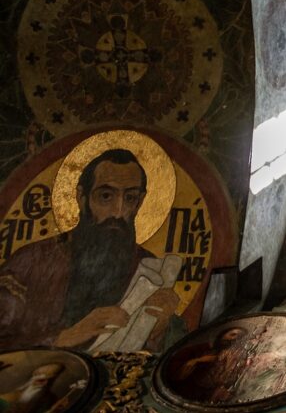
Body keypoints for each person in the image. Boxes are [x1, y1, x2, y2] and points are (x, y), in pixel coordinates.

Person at [0, 149, 181, 350]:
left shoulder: (150, 270)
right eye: (106, 196)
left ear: (140, 202)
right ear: (81, 197)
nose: (118, 212)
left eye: (130, 198)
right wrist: (64, 338)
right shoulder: (30, 262)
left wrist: (161, 329)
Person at [0, 361, 83, 413]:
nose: (42, 378)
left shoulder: (50, 399)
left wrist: (54, 410)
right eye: (38, 374)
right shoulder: (12, 392)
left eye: (49, 378)